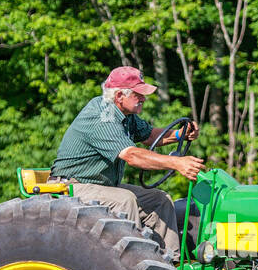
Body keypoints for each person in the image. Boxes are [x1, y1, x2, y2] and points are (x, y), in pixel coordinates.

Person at [49, 66, 203, 256]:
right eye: (138, 95)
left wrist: (181, 134)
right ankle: (133, 265)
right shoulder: (102, 116)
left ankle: (169, 264)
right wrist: (177, 163)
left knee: (159, 200)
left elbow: (149, 136)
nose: (144, 99)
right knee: (125, 200)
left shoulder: (126, 115)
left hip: (101, 185)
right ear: (120, 95)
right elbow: (132, 155)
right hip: (72, 185)